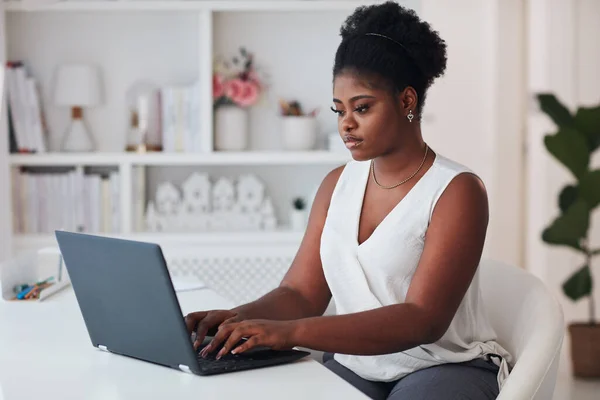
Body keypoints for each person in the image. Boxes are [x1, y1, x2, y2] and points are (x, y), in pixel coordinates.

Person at [185, 2, 512, 399]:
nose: (346, 124)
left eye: (362, 107)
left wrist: (290, 333)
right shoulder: (336, 184)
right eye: (339, 110)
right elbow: (302, 294)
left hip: (445, 367)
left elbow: (422, 320)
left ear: (407, 102)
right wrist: (237, 318)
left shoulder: (457, 191)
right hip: (360, 365)